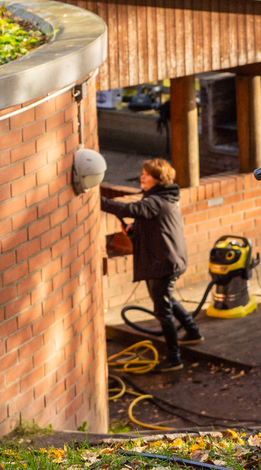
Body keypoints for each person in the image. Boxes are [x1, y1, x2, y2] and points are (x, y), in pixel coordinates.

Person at [101, 158, 200, 371]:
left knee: (162, 310)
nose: (141, 177)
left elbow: (133, 210)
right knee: (166, 299)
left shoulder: (156, 201)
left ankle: (174, 358)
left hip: (163, 262)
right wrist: (132, 231)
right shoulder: (163, 198)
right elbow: (152, 225)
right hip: (167, 259)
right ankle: (192, 332)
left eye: (146, 174)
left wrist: (97, 202)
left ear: (157, 179)